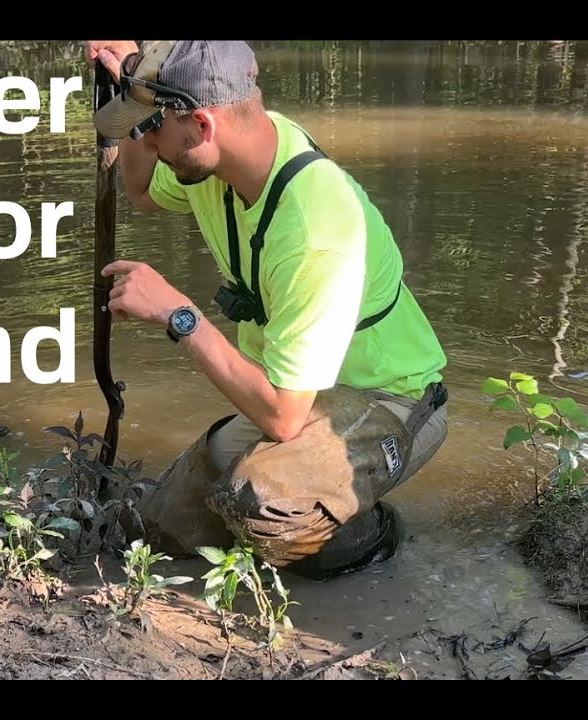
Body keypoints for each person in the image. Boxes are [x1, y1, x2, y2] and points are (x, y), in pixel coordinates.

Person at [89, 40, 449, 581]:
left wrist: (179, 315)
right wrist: (129, 84)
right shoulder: (227, 151)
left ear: (203, 127)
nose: (149, 144)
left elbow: (283, 417)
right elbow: (139, 189)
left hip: (388, 397)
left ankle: (369, 531)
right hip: (295, 392)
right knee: (157, 532)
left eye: (152, 129)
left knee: (271, 513)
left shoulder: (316, 229)